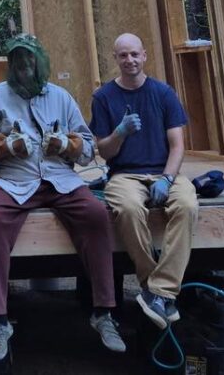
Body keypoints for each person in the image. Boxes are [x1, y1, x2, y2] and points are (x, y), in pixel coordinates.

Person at [0, 35, 126, 362]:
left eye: (29, 60)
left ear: (40, 62)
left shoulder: (61, 97)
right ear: (10, 64)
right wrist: (6, 148)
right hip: (13, 181)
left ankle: (103, 312)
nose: (24, 66)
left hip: (60, 180)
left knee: (97, 214)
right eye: (17, 60)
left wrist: (65, 145)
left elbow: (87, 151)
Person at [91, 33, 196, 330]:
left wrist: (166, 178)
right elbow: (104, 151)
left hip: (163, 171)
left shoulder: (163, 94)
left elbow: (177, 146)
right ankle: (156, 290)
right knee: (127, 209)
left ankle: (159, 291)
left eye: (134, 54)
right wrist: (120, 133)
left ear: (144, 55)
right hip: (124, 173)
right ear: (115, 58)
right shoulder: (103, 98)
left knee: (187, 205)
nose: (130, 61)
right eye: (123, 55)